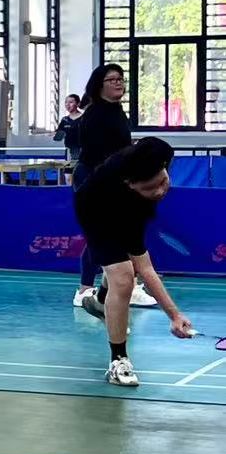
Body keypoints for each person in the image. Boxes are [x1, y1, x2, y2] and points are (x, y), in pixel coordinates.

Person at [76, 138, 193, 387]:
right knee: (123, 278)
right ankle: (118, 360)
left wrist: (174, 315)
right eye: (150, 188)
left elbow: (144, 266)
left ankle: (100, 301)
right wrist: (174, 315)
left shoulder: (159, 154)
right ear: (130, 184)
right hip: (95, 210)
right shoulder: (119, 199)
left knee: (125, 270)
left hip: (125, 202)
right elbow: (146, 268)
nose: (160, 191)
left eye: (162, 181)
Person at [71, 64, 155, 310]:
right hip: (94, 179)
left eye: (121, 78)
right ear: (100, 85)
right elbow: (100, 154)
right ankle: (85, 289)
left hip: (115, 178)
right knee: (101, 234)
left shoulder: (117, 111)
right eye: (112, 79)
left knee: (121, 234)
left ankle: (123, 287)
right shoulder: (94, 115)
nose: (119, 83)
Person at [53, 94, 84, 166]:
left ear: (78, 104)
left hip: (81, 150)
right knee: (68, 169)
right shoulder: (65, 120)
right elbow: (58, 137)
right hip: (69, 150)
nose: (67, 105)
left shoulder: (84, 118)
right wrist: (55, 134)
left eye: (71, 102)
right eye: (66, 102)